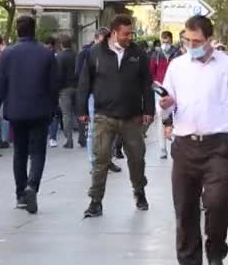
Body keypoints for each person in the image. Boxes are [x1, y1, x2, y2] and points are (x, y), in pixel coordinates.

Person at [159, 15, 228, 265]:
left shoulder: (227, 67)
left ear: (210, 41)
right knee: (184, 206)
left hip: (216, 145)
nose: (191, 45)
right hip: (184, 145)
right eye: (187, 40)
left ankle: (215, 253)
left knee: (217, 201)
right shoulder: (177, 66)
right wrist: (166, 104)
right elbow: (166, 107)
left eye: (197, 41)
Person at [77, 14, 155, 218]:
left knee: (137, 157)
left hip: (132, 117)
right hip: (104, 115)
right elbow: (85, 82)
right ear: (114, 33)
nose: (130, 37)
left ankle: (139, 191)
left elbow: (147, 84)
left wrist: (149, 110)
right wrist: (82, 110)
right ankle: (95, 201)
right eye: (125, 33)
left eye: (131, 33)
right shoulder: (95, 53)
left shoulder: (138, 54)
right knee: (100, 159)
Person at [0, 15, 60, 214]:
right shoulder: (46, 54)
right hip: (40, 110)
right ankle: (32, 186)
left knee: (19, 152)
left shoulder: (7, 55)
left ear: (17, 31)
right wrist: (53, 108)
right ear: (34, 30)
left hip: (16, 111)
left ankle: (21, 194)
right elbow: (54, 85)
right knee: (38, 152)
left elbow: (0, 85)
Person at [76, 28, 121, 174]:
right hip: (93, 97)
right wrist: (81, 108)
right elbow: (81, 78)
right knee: (93, 132)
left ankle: (107, 160)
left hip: (111, 98)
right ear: (96, 40)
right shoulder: (87, 54)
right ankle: (94, 161)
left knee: (112, 130)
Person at [150, 30, 180, 159]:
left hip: (176, 90)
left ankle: (176, 144)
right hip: (160, 91)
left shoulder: (177, 54)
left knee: (178, 118)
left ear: (171, 41)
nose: (165, 44)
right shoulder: (156, 54)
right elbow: (151, 73)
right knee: (161, 118)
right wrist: (155, 87)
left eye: (167, 42)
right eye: (163, 41)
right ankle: (163, 148)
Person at [56, 35, 81, 149]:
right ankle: (82, 138)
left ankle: (69, 140)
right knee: (80, 113)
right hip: (78, 87)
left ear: (61, 44)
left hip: (65, 89)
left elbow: (59, 75)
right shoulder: (77, 55)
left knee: (66, 115)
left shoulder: (59, 57)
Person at [43, 36, 61, 147]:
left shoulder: (40, 56)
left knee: (53, 114)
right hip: (50, 89)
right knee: (52, 114)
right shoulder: (55, 56)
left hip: (46, 89)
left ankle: (52, 137)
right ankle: (52, 137)